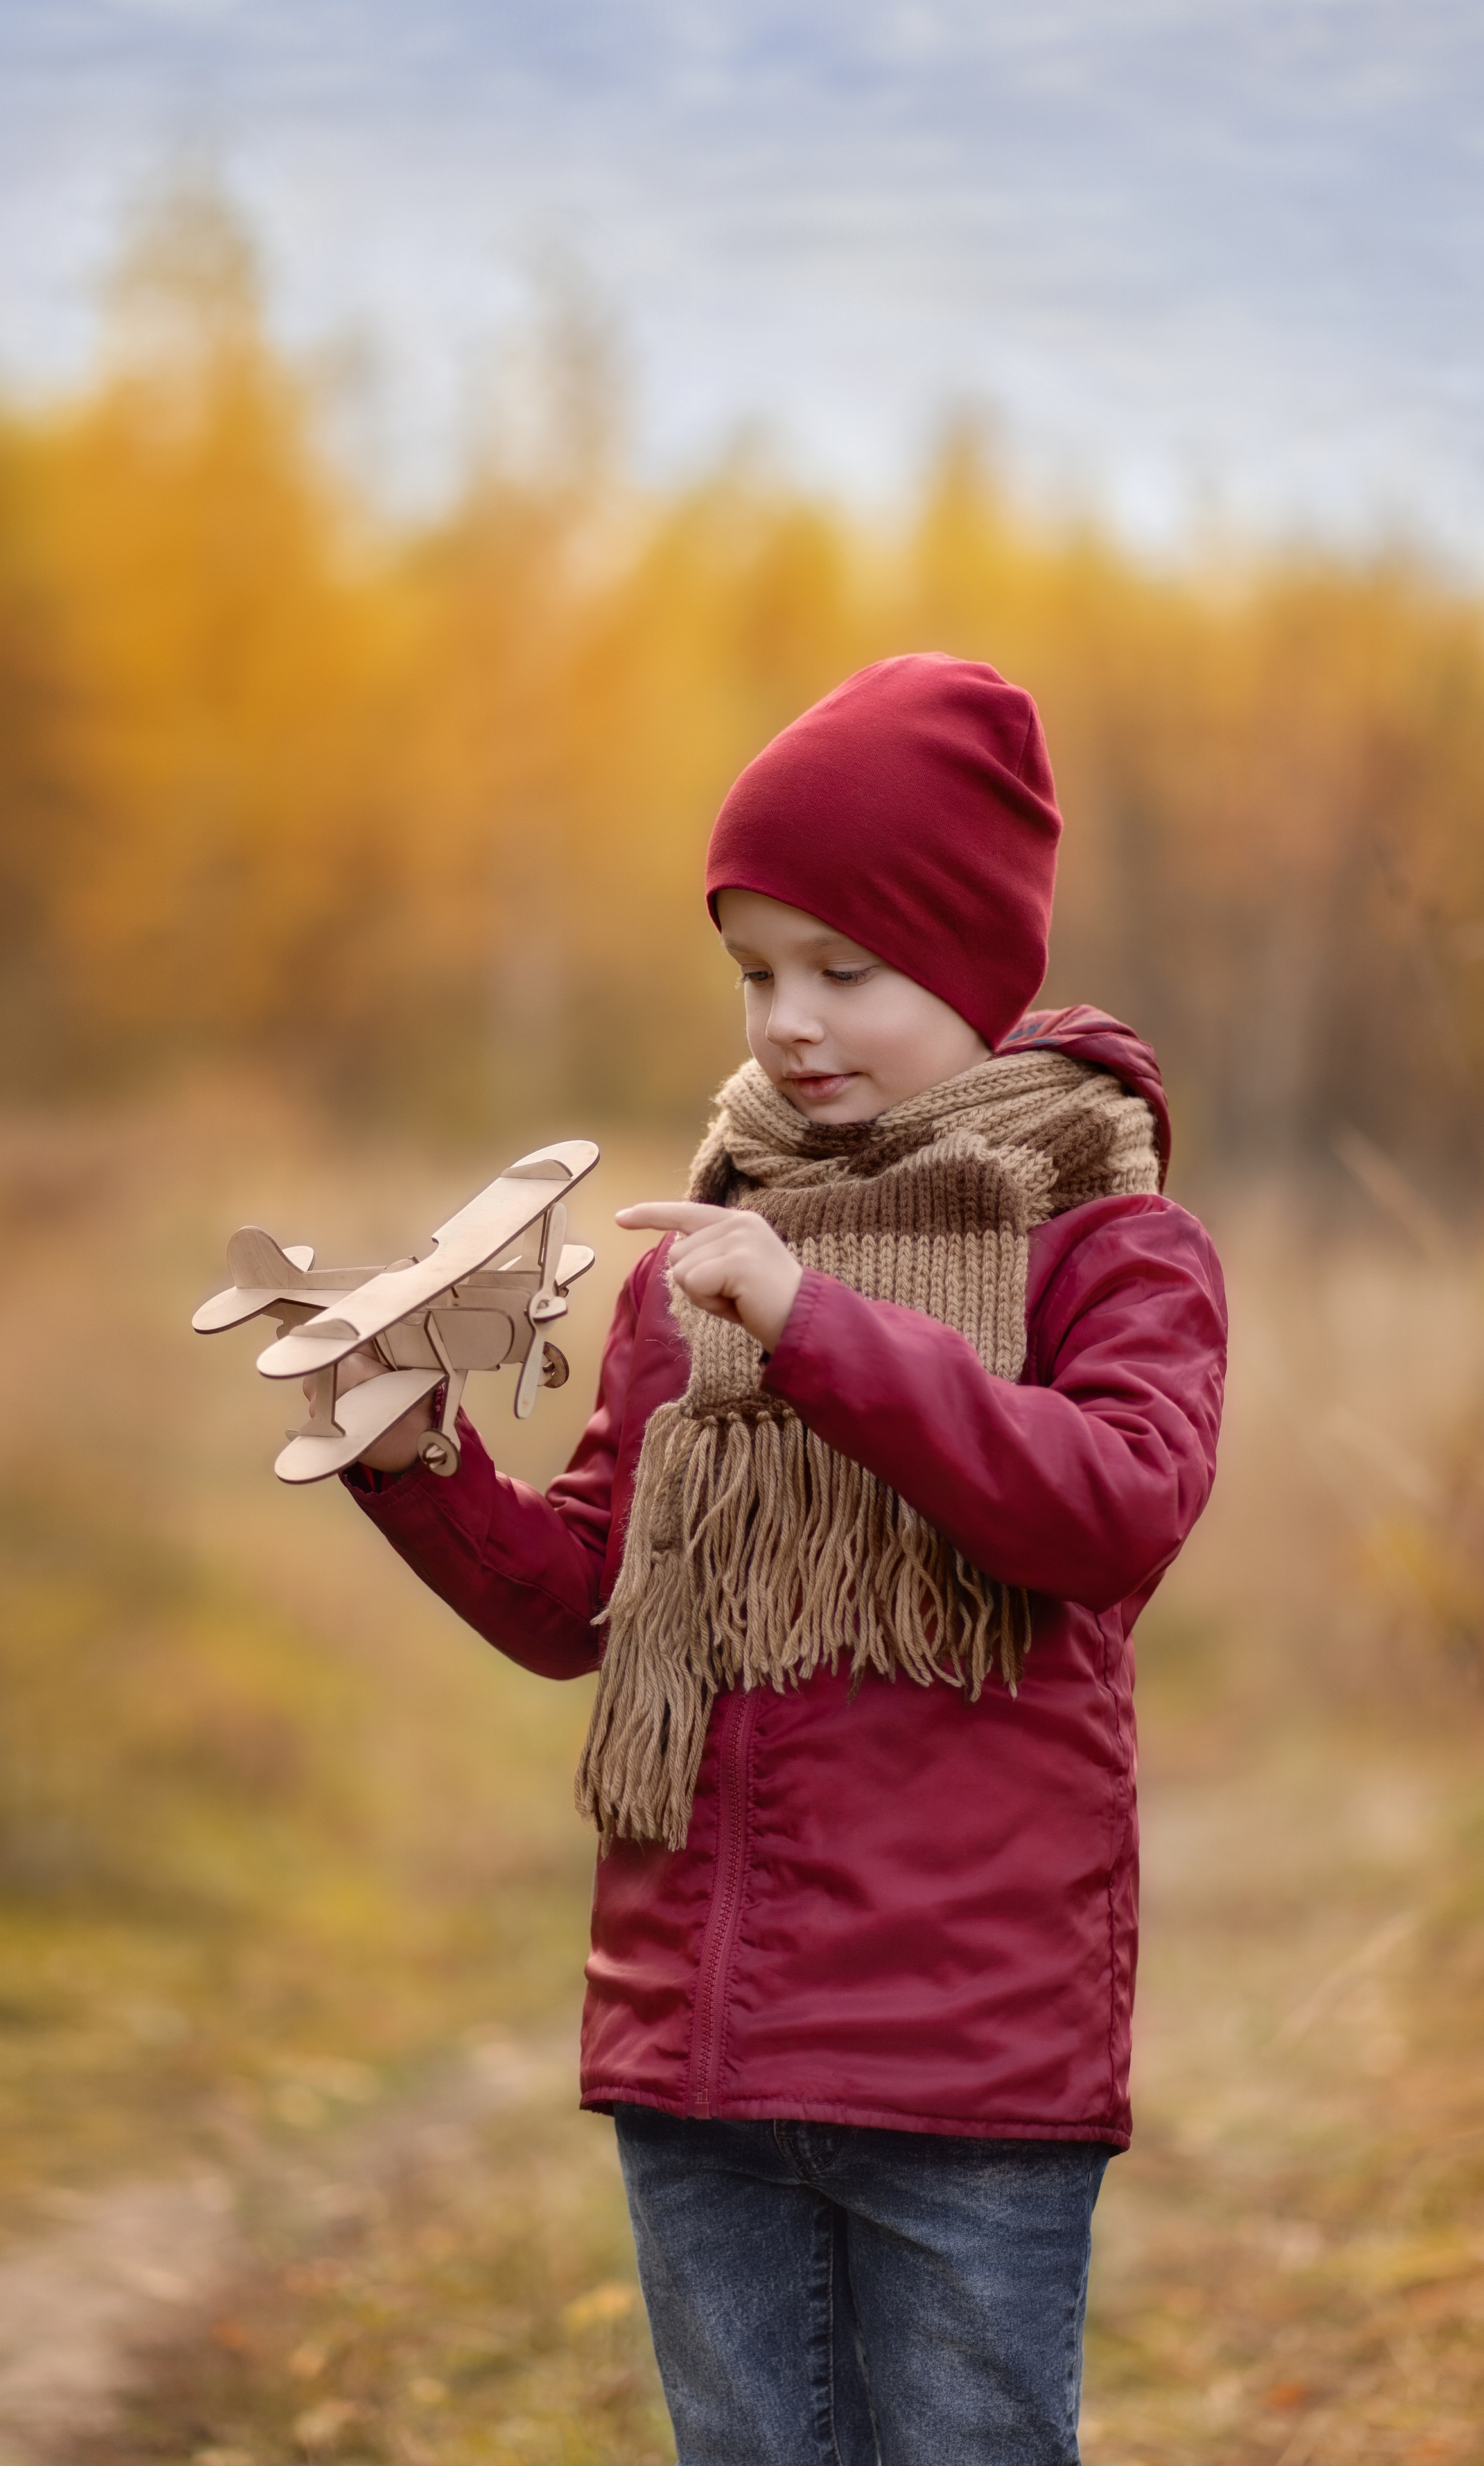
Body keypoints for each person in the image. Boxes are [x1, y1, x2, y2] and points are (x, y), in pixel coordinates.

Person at [331, 655, 1228, 2466]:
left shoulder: (1109, 1245)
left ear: (975, 968)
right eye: (754, 971)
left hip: (965, 2069)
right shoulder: (716, 1243)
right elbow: (589, 1600)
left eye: (847, 970)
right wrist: (415, 1456)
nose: (788, 1024)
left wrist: (819, 1326)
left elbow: (1114, 1506)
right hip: (703, 2054)